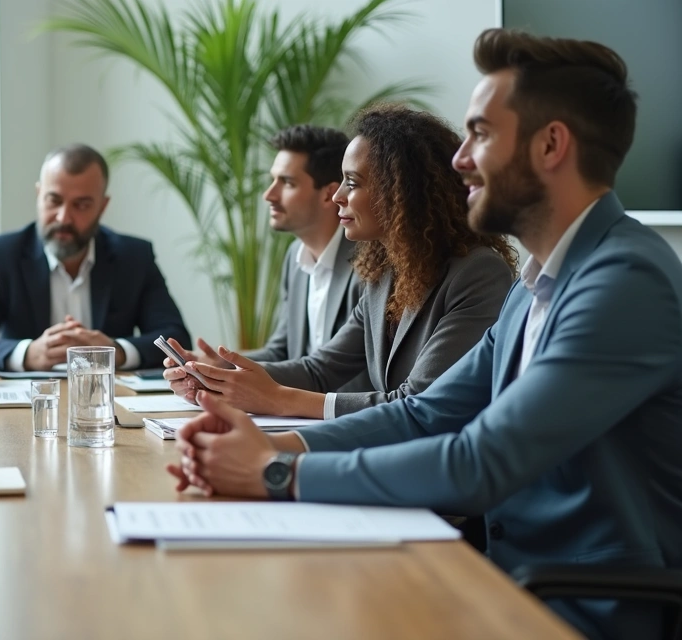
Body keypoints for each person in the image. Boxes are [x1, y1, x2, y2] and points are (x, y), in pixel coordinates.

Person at [170, 29, 682, 640]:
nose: (460, 159)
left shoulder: (623, 280)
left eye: (481, 134)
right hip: (504, 578)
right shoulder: (538, 282)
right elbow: (427, 413)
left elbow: (481, 460)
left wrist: (277, 475)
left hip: (582, 608)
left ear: (551, 145)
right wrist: (274, 445)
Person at [166, 105, 517, 419]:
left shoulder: (477, 274)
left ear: (401, 193)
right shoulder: (384, 275)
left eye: (351, 182)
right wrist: (217, 377)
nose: (337, 196)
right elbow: (320, 369)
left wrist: (279, 400)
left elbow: (420, 403)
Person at [0, 144, 190, 371]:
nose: (64, 218)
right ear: (39, 194)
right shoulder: (1, 255)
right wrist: (27, 353)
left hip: (108, 403)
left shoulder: (134, 257)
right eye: (54, 200)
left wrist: (116, 352)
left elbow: (175, 339)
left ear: (102, 207)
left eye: (81, 205)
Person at [184, 126, 367, 391]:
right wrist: (221, 364)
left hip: (345, 418)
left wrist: (229, 375)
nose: (269, 195)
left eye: (287, 183)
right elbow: (280, 351)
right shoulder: (294, 256)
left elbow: (326, 369)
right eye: (273, 180)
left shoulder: (368, 263)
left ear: (329, 194)